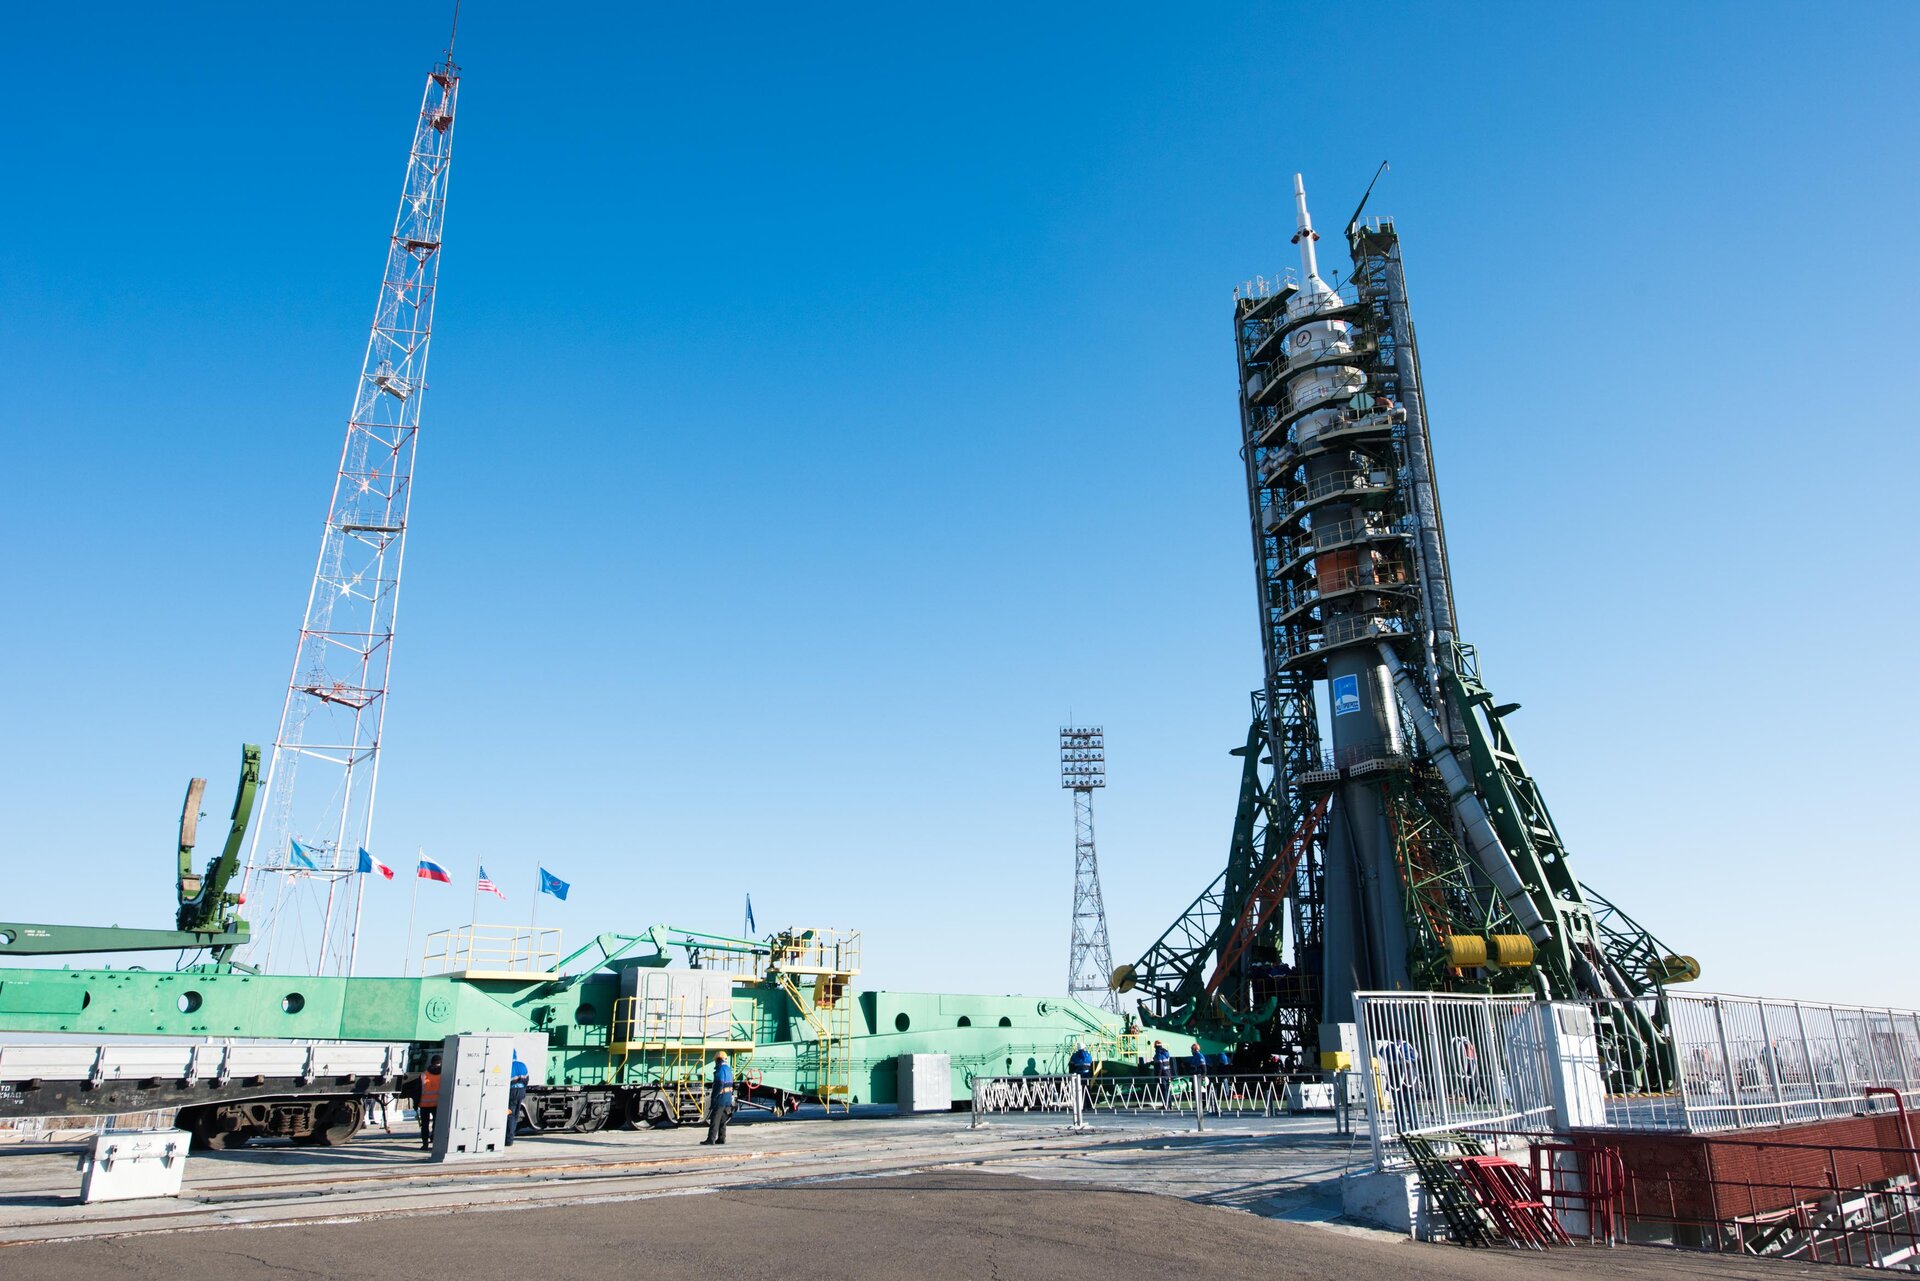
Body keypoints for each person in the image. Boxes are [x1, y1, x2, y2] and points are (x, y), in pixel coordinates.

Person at [701, 1050, 735, 1145]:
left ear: (718, 1060)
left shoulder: (720, 1069)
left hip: (721, 1097)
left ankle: (711, 1139)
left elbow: (719, 1083)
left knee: (715, 1119)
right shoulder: (728, 1069)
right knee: (723, 1120)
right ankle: (721, 1138)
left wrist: (714, 1097)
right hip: (728, 1097)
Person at [504, 1051, 531, 1146]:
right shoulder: (522, 1065)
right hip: (521, 1092)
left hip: (511, 1093)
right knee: (515, 1116)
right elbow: (527, 1079)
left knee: (509, 1115)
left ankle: (508, 1140)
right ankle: (511, 1137)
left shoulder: (507, 1065)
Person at [417, 1054, 442, 1151]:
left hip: (424, 1104)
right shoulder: (443, 1075)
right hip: (437, 1104)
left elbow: (417, 1091)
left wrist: (416, 1104)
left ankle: (425, 1144)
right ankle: (434, 1139)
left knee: (424, 1125)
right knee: (437, 1124)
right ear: (440, 1062)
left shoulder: (424, 1075)